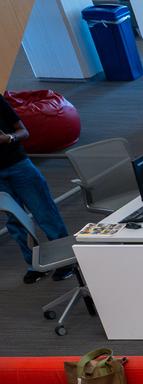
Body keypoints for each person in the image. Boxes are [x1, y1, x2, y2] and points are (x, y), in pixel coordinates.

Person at [0, 97, 70, 280]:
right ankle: (35, 264)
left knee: (45, 212)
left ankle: (66, 260)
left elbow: (23, 132)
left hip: (18, 164)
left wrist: (9, 138)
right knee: (15, 221)